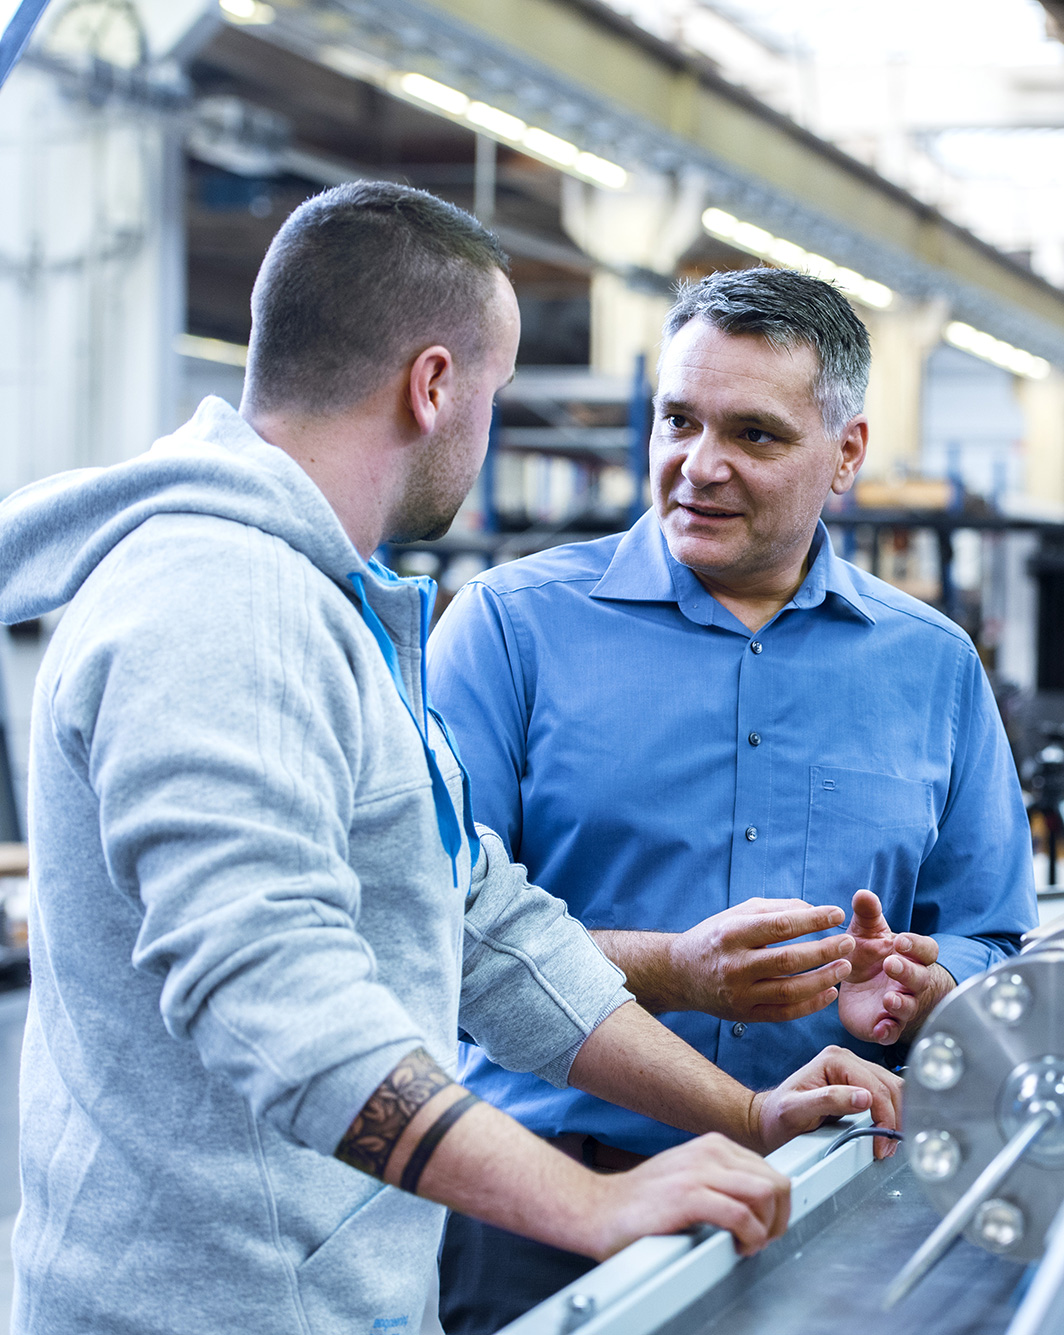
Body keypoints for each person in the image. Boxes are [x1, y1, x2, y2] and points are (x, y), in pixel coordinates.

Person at [0, 182, 900, 1335]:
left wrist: (743, 1109)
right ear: (433, 387)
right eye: (496, 393)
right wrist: (588, 1201)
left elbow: (477, 923)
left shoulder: (324, 607)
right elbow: (272, 992)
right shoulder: (223, 605)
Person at [427, 266, 1037, 1328]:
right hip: (547, 1209)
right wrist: (672, 971)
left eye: (752, 435)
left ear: (843, 454)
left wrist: (923, 986)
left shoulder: (931, 667)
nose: (696, 468)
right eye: (677, 420)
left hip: (828, 1203)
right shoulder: (508, 630)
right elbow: (424, 932)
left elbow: (993, 942)